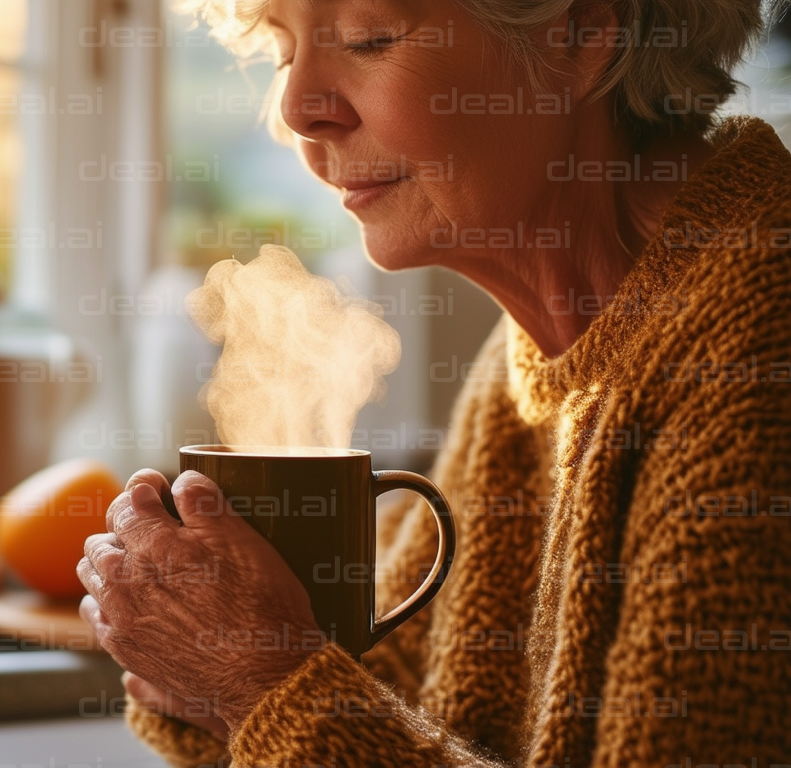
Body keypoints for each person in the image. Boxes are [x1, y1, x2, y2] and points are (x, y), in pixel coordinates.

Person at [76, 0, 791, 765]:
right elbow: (388, 703)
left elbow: (318, 702)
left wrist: (260, 686)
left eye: (368, 38)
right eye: (286, 56)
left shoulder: (758, 352)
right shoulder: (529, 362)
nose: (296, 111)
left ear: (583, 34)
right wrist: (209, 683)